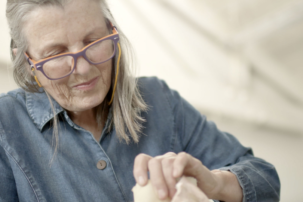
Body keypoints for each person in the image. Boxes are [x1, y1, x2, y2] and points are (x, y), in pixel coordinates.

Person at [0, 0, 280, 201]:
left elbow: (265, 180)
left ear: (112, 32)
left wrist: (214, 182)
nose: (83, 69)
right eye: (56, 54)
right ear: (26, 62)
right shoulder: (6, 126)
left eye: (93, 40)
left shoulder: (159, 100)